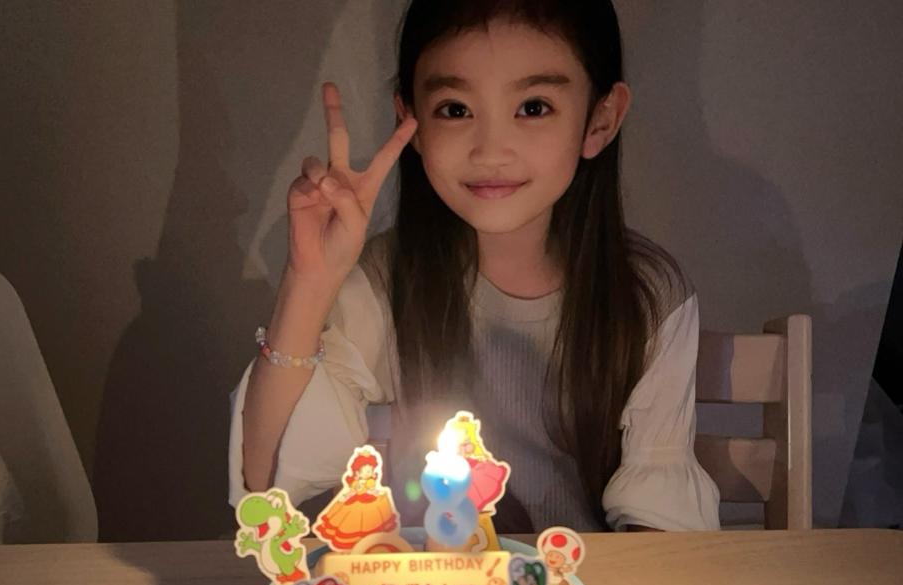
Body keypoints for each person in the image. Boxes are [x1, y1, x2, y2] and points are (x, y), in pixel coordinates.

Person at [229, 0, 720, 533]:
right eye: (455, 109)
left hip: (585, 580)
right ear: (412, 123)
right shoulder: (389, 280)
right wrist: (310, 281)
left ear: (600, 119)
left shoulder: (648, 296)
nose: (491, 150)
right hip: (438, 582)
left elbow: (657, 525)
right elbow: (268, 483)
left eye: (533, 107)